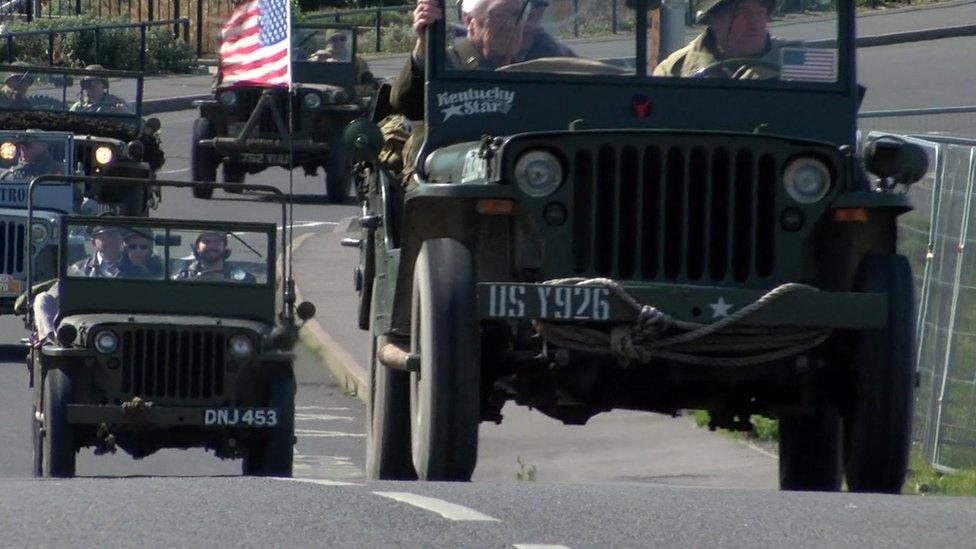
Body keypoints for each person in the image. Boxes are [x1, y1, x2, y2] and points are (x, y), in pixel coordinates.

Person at [654, 0, 788, 78]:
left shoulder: (796, 61)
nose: (755, 23)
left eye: (761, 12)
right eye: (742, 13)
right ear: (713, 19)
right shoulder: (674, 70)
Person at [172, 231, 255, 282]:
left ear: (224, 246)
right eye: (206, 242)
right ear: (197, 247)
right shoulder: (183, 277)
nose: (212, 246)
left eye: (217, 241)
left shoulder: (243, 279)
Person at [0, 132, 64, 181]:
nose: (22, 148)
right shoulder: (11, 174)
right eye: (20, 145)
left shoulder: (61, 170)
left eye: (27, 145)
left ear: (43, 146)